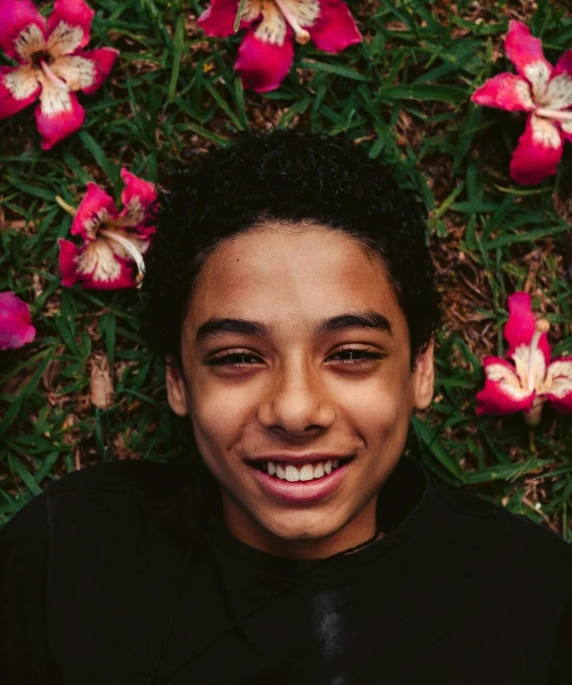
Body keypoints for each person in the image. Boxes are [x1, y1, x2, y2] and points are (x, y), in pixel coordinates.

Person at [1, 131, 570, 685]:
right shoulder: (70, 563)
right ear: (177, 379)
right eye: (237, 358)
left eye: (349, 354)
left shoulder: (536, 605)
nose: (295, 410)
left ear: (420, 369)